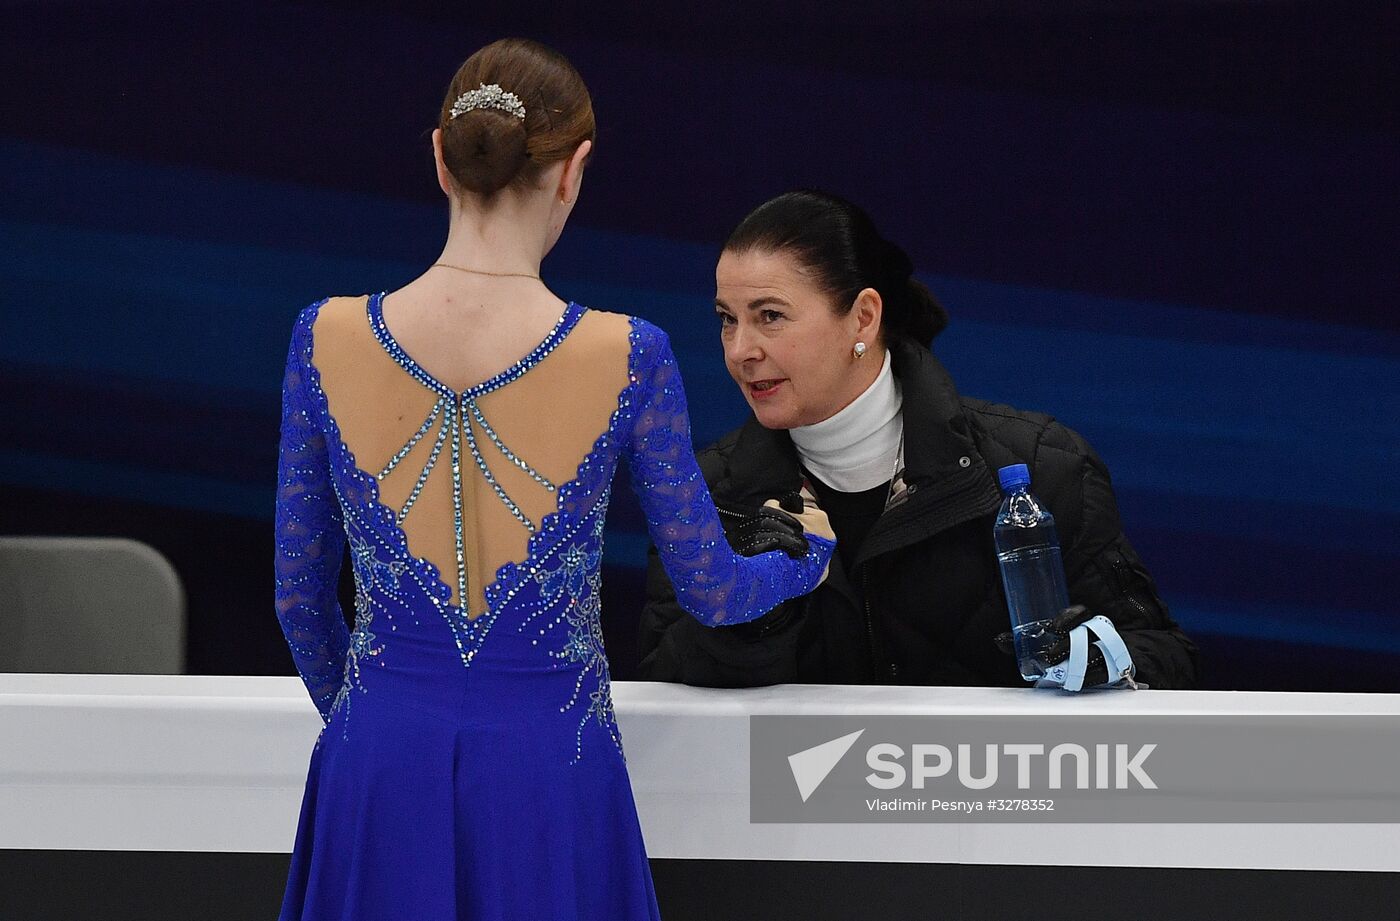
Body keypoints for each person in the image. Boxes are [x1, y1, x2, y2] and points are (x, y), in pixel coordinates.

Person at [272, 41, 834, 920]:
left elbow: (300, 601)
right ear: (574, 171)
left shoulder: (322, 336)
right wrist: (807, 556)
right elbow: (715, 591)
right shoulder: (628, 354)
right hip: (547, 768)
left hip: (376, 762)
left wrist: (378, 723)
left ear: (439, 155)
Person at [637, 190, 1198, 690]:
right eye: (727, 319)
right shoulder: (707, 494)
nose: (739, 350)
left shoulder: (1042, 463)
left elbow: (1162, 655)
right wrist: (754, 612)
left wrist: (1103, 663)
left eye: (770, 316)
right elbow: (664, 687)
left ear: (863, 318)